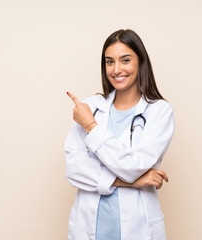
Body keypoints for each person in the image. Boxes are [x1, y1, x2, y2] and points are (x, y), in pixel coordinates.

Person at [64, 29, 175, 240]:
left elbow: (134, 165)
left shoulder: (158, 111)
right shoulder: (91, 107)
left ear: (140, 62)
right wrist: (131, 182)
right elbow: (74, 170)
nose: (116, 70)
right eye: (109, 62)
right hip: (89, 228)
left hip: (138, 227)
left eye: (125, 60)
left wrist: (90, 126)